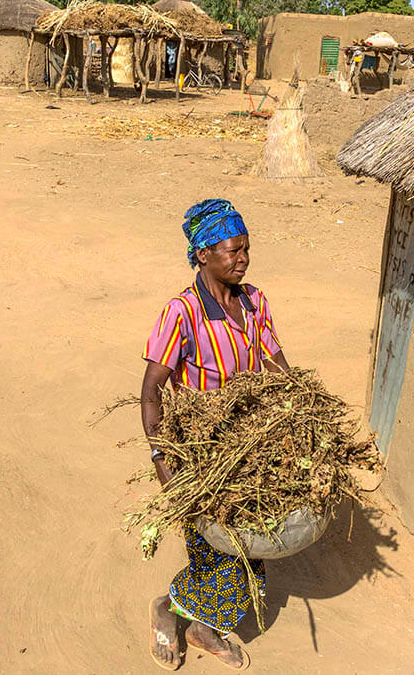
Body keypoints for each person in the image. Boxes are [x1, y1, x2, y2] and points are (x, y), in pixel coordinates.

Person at [141, 199, 290, 670]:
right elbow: (150, 394)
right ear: (204, 254)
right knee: (214, 553)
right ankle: (169, 610)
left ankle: (203, 626)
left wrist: (300, 409)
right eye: (232, 251)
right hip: (202, 460)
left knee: (251, 551)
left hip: (250, 452)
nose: (242, 259)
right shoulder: (181, 314)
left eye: (246, 249)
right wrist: (165, 465)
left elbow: (277, 365)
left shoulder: (254, 302)